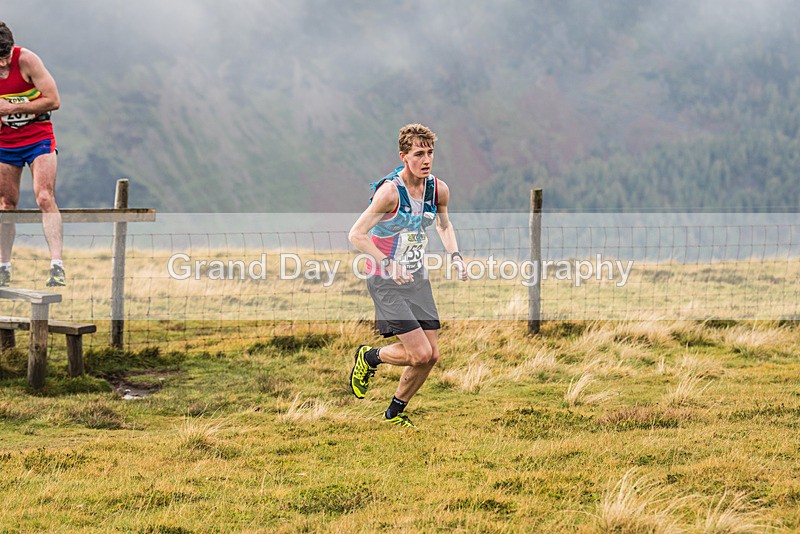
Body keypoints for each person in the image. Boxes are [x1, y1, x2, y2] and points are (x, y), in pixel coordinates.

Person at [348, 123, 467, 428]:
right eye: (418, 154)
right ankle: (370, 357)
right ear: (404, 156)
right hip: (385, 280)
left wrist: (455, 255)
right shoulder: (390, 194)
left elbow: (443, 225)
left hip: (417, 279)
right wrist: (387, 263)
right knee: (419, 353)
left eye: (430, 153)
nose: (426, 160)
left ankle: (393, 414)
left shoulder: (438, 189)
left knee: (432, 356)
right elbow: (357, 235)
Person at [0, 21, 64, 287]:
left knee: (44, 196)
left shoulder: (27, 60)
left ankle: (57, 266)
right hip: (5, 142)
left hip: (38, 136)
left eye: (5, 57)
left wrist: (12, 109)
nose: (3, 66)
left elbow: (53, 100)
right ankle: (3, 267)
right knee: (6, 204)